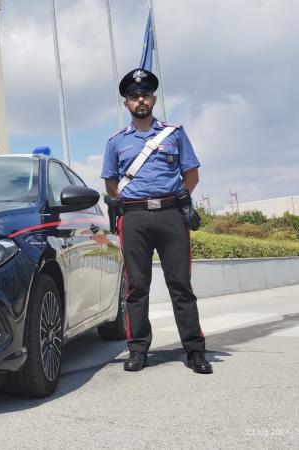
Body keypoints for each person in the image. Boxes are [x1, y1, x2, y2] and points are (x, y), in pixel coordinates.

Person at [100, 68, 212, 374]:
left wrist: (178, 198)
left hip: (171, 215)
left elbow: (192, 174)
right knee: (136, 286)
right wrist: (131, 199)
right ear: (126, 104)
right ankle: (137, 350)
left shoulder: (174, 134)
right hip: (134, 217)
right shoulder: (116, 142)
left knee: (180, 284)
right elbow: (111, 183)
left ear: (153, 98)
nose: (140, 100)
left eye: (145, 94)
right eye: (134, 96)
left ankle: (195, 351)